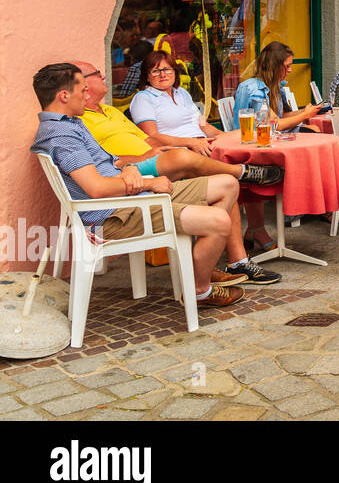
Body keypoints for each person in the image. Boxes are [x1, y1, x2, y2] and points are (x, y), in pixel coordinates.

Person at [31, 64, 246, 308]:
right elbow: (97, 188)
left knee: (228, 184)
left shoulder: (71, 123)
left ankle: (199, 263)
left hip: (132, 198)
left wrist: (128, 168)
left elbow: (111, 161)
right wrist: (149, 183)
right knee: (219, 221)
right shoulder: (61, 135)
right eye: (82, 89)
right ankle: (199, 289)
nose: (86, 93)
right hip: (116, 215)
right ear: (64, 96)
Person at [75, 61, 282, 286]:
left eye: (168, 69)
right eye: (97, 73)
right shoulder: (78, 120)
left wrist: (156, 149)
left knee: (224, 184)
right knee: (184, 157)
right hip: (134, 172)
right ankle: (244, 172)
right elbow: (103, 161)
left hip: (154, 157)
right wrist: (142, 157)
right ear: (82, 82)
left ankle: (235, 261)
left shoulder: (110, 110)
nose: (104, 76)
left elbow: (146, 138)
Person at [233, 42, 325, 251]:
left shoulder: (275, 86)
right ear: (275, 66)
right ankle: (291, 212)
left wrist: (305, 111)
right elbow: (272, 123)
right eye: (287, 65)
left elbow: (281, 117)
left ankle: (303, 208)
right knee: (308, 145)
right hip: (251, 146)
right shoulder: (254, 88)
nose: (290, 70)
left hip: (269, 142)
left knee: (314, 137)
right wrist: (304, 116)